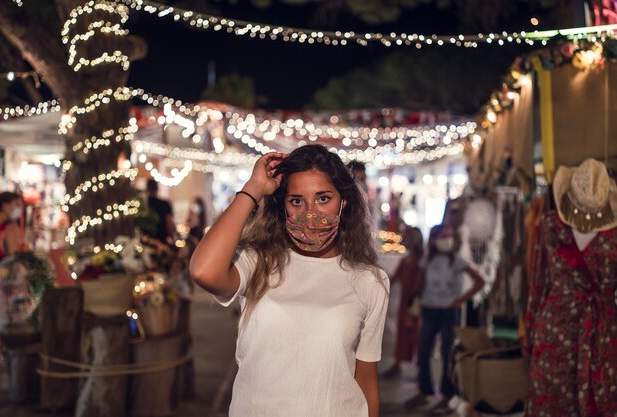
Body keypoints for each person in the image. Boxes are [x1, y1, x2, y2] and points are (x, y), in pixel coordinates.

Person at [190, 145, 390, 417]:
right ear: (283, 206)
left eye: (323, 198)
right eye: (297, 201)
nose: (311, 213)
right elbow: (204, 271)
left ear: (344, 202)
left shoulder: (370, 281)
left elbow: (366, 380)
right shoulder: (260, 262)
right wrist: (253, 189)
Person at [405, 224, 485, 415]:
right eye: (443, 235)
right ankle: (425, 391)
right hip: (429, 309)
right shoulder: (427, 260)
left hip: (448, 312)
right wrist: (413, 303)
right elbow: (420, 283)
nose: (447, 239)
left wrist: (462, 300)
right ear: (433, 240)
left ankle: (447, 396)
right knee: (423, 352)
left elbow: (480, 281)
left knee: (448, 353)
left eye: (449, 235)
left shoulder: (457, 260)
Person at [382, 226, 424, 379]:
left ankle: (421, 367)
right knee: (402, 333)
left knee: (416, 334)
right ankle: (398, 363)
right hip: (406, 301)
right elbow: (395, 279)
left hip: (416, 301)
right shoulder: (407, 259)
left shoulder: (421, 259)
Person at [0, 192, 24, 364]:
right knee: (3, 312)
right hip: (3, 274)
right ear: (5, 205)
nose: (19, 208)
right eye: (16, 204)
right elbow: (13, 254)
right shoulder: (10, 226)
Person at [146, 179, 176, 244]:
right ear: (157, 188)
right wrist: (173, 238)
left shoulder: (144, 204)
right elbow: (169, 222)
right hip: (162, 241)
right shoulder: (164, 204)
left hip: (146, 240)